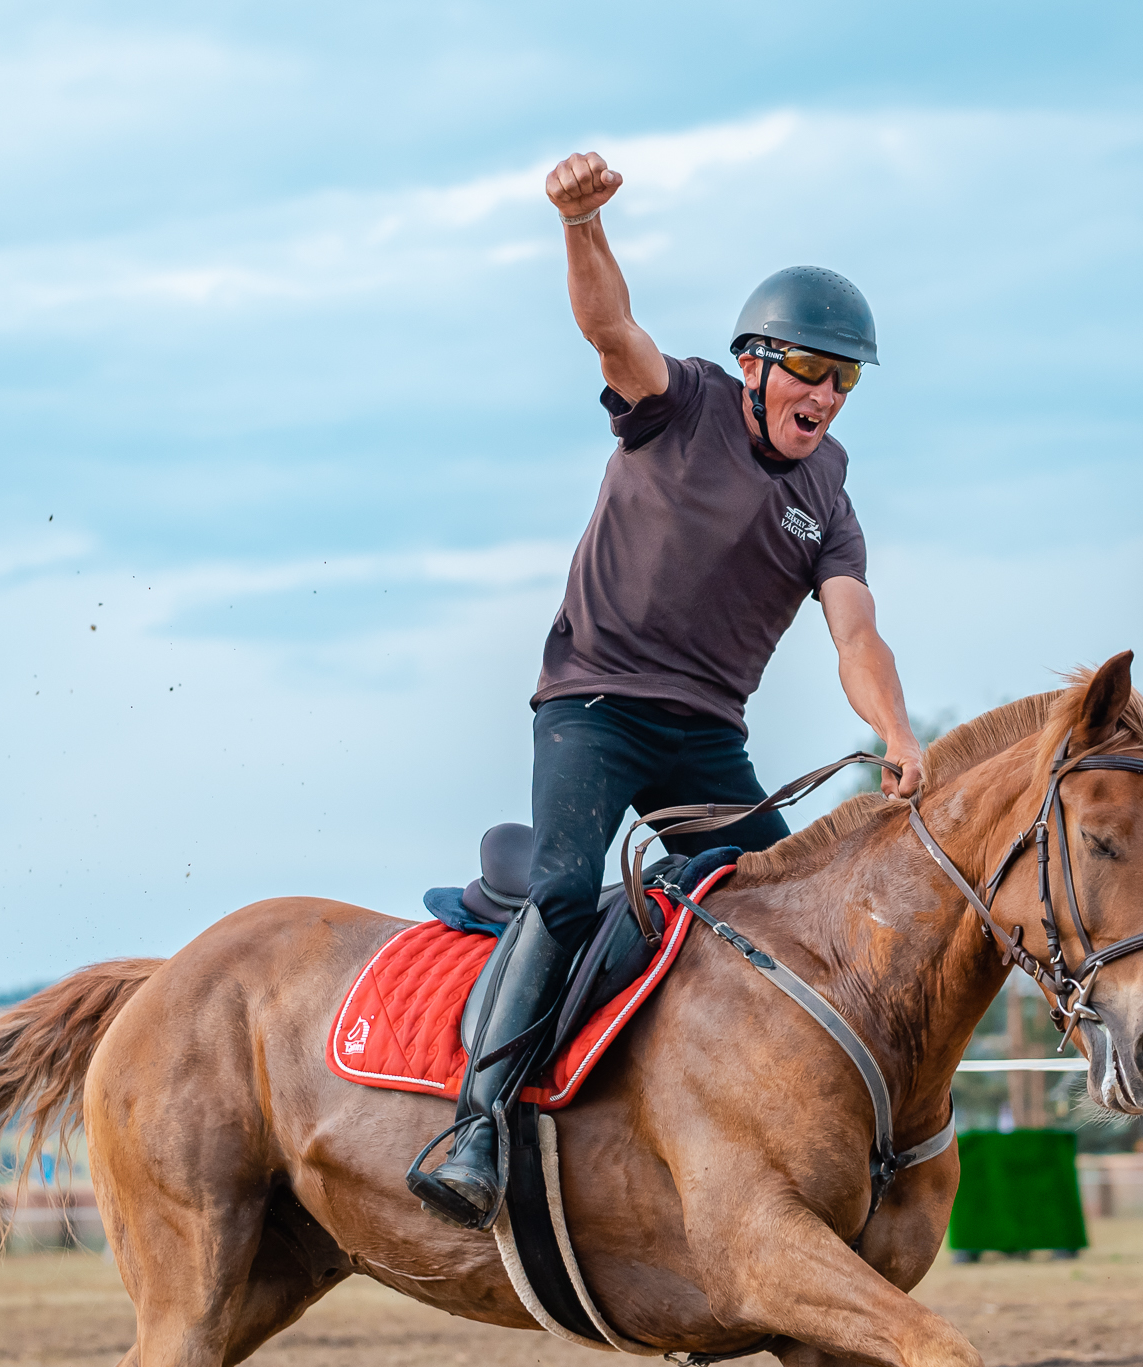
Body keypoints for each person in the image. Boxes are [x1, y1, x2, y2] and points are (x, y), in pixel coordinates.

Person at [410, 151, 925, 1228]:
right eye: (807, 370)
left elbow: (855, 628)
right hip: (594, 707)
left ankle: (766, 1131)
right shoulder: (677, 399)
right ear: (752, 364)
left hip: (704, 741)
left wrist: (893, 730)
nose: (824, 395)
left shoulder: (827, 492)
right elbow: (609, 329)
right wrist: (579, 225)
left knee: (788, 913)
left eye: (844, 380)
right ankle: (476, 1123)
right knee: (560, 888)